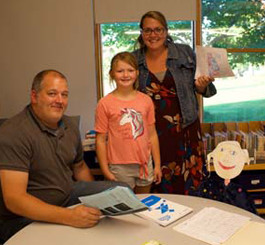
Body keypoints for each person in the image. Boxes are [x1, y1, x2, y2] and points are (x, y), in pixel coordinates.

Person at [0, 69, 129, 243]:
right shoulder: (13, 132)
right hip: (25, 216)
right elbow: (14, 199)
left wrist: (98, 200)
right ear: (34, 96)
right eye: (52, 94)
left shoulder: (69, 125)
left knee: (121, 190)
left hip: (67, 196)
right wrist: (69, 217)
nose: (59, 101)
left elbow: (80, 166)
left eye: (64, 94)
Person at [133, 11, 217, 194]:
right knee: (156, 185)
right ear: (141, 33)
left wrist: (201, 86)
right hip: (152, 133)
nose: (153, 35)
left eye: (158, 29)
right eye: (147, 30)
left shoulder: (184, 53)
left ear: (166, 31)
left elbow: (204, 90)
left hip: (185, 129)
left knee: (189, 185)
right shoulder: (134, 59)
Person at [95, 52, 162, 194]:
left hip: (144, 164)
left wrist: (157, 165)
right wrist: (105, 170)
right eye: (120, 71)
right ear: (112, 74)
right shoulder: (104, 103)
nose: (125, 75)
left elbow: (152, 135)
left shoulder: (146, 101)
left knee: (144, 205)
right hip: (119, 167)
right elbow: (100, 140)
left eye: (130, 70)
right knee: (125, 208)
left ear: (137, 73)